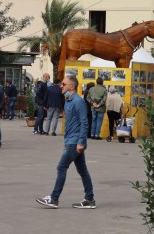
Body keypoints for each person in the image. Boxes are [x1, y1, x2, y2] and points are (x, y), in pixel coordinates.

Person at [36, 75, 96, 209]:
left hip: (74, 142)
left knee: (61, 167)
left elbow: (84, 122)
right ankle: (90, 199)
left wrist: (81, 142)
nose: (61, 86)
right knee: (82, 170)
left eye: (63, 84)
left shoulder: (78, 101)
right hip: (70, 140)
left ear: (72, 86)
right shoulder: (68, 100)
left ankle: (54, 198)